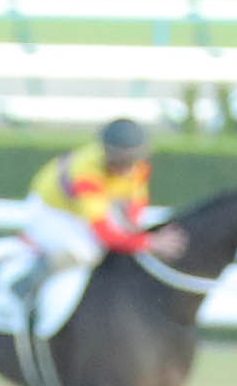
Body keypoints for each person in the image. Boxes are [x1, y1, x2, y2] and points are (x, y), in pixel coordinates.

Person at [19, 115, 166, 288]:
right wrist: (148, 242)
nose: (127, 170)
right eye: (120, 161)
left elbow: (136, 202)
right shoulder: (86, 171)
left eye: (131, 161)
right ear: (107, 154)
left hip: (89, 205)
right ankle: (27, 283)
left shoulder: (140, 165)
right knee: (88, 251)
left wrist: (135, 231)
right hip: (51, 211)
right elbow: (104, 233)